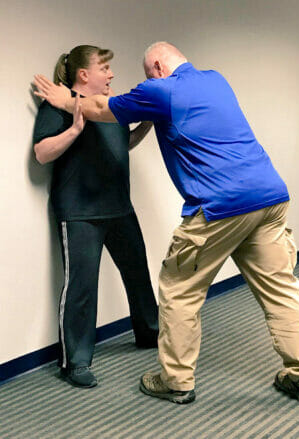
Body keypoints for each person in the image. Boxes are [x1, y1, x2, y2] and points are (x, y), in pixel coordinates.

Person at [33, 41, 299, 405]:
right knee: (281, 288)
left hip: (220, 206)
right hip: (268, 197)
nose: (123, 77)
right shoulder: (216, 79)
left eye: (144, 74)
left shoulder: (161, 90)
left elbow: (101, 108)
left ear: (156, 66)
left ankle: (175, 381)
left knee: (179, 290)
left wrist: (65, 99)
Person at [32, 45, 159, 389]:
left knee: (137, 273)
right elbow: (42, 153)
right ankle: (75, 362)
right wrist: (74, 129)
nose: (111, 75)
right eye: (104, 68)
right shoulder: (58, 103)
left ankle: (150, 333)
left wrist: (147, 121)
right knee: (81, 289)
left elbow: (122, 141)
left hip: (119, 206)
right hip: (79, 212)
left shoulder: (108, 107)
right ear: (84, 74)